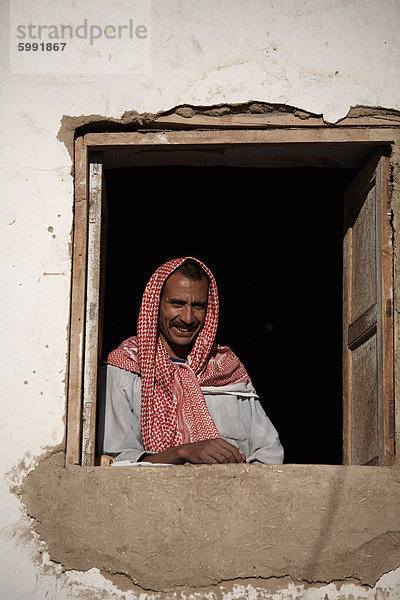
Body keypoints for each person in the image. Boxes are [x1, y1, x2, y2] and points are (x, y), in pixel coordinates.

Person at [97, 257, 283, 465]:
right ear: (155, 304)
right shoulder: (124, 370)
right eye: (177, 304)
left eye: (198, 306)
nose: (187, 318)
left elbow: (270, 455)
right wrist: (182, 453)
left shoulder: (227, 370)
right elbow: (115, 463)